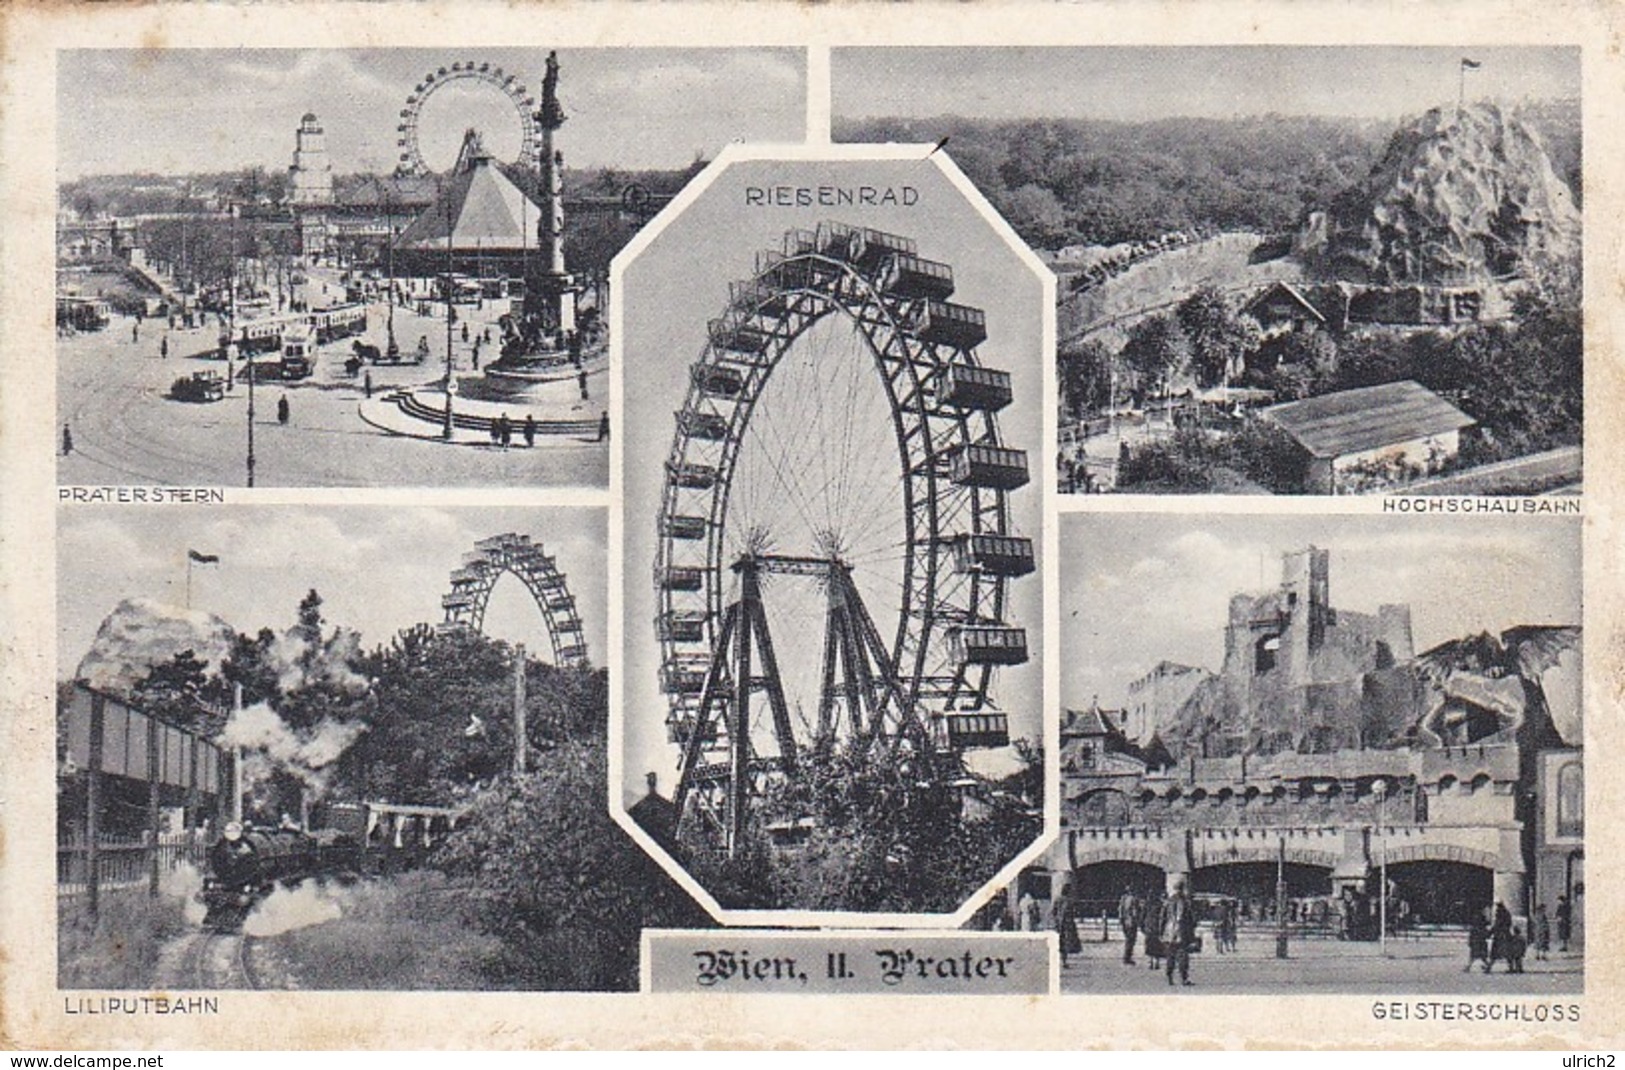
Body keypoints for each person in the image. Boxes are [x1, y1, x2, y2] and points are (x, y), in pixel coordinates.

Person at [1162, 878, 1196, 986]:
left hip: (1169, 931)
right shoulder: (1185, 901)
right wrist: (1192, 933)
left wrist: (1162, 931)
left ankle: (1169, 977)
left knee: (1170, 955)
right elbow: (1190, 919)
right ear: (1182, 888)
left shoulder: (1168, 901)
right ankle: (1183, 978)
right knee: (1182, 955)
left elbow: (1162, 917)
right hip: (1181, 931)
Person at [1054, 883, 1082, 969]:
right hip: (1067, 924)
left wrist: (1056, 919)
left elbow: (1054, 911)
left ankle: (1062, 960)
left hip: (1060, 923)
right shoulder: (1069, 901)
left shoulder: (1058, 899)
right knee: (1065, 942)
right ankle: (1063, 961)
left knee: (1061, 942)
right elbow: (1073, 912)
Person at [1142, 891, 1165, 972]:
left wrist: (1142, 926)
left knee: (1149, 944)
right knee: (1157, 944)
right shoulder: (1160, 904)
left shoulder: (1146, 905)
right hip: (1156, 926)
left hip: (1148, 926)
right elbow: (1163, 916)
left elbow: (1142, 915)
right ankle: (1157, 962)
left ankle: (1151, 961)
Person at [1118, 886, 1141, 965]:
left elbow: (1120, 909)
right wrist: (1137, 920)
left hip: (1124, 921)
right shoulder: (1134, 899)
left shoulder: (1123, 898)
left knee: (1128, 939)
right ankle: (1127, 957)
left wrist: (1121, 919)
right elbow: (1135, 911)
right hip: (1131, 921)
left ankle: (1126, 956)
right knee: (1131, 940)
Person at [1489, 900, 1513, 972]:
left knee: (1495, 953)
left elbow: (1497, 925)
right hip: (1505, 934)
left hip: (1500, 936)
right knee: (1507, 953)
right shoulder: (1506, 913)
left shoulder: (1500, 914)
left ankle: (1489, 967)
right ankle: (1511, 967)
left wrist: (1491, 932)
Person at [1466, 906, 1490, 973]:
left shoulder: (1475, 927)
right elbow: (1486, 933)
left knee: (1474, 955)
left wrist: (1470, 941)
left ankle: (1468, 967)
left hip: (1476, 941)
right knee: (1481, 956)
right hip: (1481, 941)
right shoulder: (1482, 926)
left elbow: (1472, 934)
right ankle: (1487, 966)